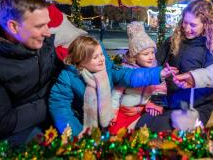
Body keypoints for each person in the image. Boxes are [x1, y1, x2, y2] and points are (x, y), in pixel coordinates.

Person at [0, 0, 61, 146]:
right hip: (19, 130)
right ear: (13, 27)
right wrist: (56, 100)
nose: (48, 32)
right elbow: (3, 123)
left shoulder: (39, 41)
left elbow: (56, 70)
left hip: (51, 109)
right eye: (40, 26)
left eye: (48, 23)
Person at [49, 35, 177, 137]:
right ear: (82, 61)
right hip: (83, 123)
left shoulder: (107, 68)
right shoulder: (67, 77)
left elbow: (127, 75)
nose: (102, 59)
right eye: (95, 57)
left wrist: (158, 73)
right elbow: (60, 107)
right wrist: (76, 135)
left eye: (101, 54)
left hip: (107, 120)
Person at [136, 0, 213, 132]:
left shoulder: (212, 50)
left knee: (160, 129)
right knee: (142, 124)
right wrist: (160, 72)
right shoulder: (173, 40)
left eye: (193, 25)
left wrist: (169, 101)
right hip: (166, 97)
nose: (187, 28)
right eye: (185, 22)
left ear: (206, 25)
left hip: (195, 105)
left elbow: (209, 90)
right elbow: (155, 64)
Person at [109, 22, 167, 134]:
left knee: (140, 134)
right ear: (135, 56)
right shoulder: (127, 71)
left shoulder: (156, 71)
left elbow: (161, 90)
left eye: (152, 53)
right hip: (124, 112)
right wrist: (113, 111)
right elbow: (116, 93)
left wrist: (156, 104)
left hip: (142, 112)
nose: (151, 57)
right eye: (146, 54)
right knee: (115, 134)